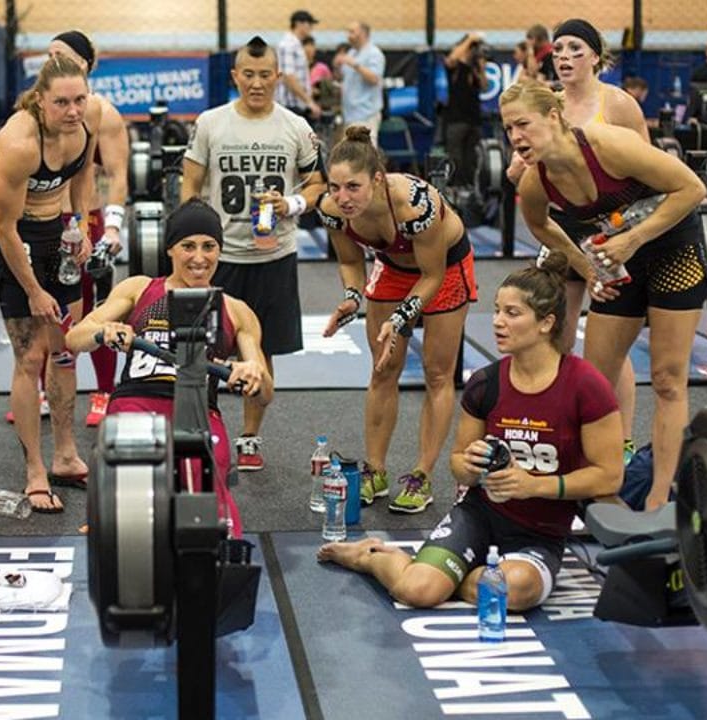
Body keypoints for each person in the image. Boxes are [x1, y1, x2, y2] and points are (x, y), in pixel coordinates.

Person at [318, 253, 623, 611]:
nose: (497, 322)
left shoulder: (586, 386)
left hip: (540, 533)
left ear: (546, 323)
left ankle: (450, 575)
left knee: (513, 590)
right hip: (479, 515)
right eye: (496, 311)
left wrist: (535, 485)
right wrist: (473, 465)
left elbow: (609, 477)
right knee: (417, 592)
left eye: (512, 313)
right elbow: (458, 463)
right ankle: (370, 556)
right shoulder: (486, 382)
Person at [503, 79, 707, 512]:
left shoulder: (607, 144)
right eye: (507, 129)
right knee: (595, 382)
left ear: (554, 117)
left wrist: (634, 239)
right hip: (620, 256)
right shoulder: (537, 182)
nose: (515, 137)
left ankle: (659, 500)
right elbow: (540, 226)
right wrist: (586, 266)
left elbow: (692, 189)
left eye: (523, 124)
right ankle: (606, 490)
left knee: (669, 379)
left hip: (673, 248)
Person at [66, 200, 273, 534]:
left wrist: (251, 374)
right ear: (170, 249)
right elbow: (75, 338)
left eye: (209, 247)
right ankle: (114, 515)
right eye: (188, 246)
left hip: (199, 412)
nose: (199, 257)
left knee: (208, 494)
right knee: (133, 479)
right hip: (136, 400)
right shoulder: (140, 288)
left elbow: (265, 393)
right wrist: (105, 332)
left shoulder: (236, 310)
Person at [506, 19, 649, 463]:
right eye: (559, 49)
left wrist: (631, 236)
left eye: (574, 48)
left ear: (594, 56)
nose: (563, 57)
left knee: (609, 341)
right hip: (566, 230)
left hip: (613, 230)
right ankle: (563, 429)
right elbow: (522, 163)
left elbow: (647, 169)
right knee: (557, 335)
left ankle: (620, 437)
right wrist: (519, 168)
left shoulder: (619, 104)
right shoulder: (548, 104)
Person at [181, 36, 326, 472]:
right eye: (249, 74)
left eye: (265, 75)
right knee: (198, 348)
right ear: (235, 76)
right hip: (219, 258)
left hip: (273, 255)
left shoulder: (295, 126)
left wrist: (293, 205)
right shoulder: (210, 123)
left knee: (263, 352)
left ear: (278, 77)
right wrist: (194, 242)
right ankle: (202, 427)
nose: (257, 83)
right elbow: (190, 185)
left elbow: (317, 185)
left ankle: (248, 436)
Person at [317, 125, 476, 514]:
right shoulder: (333, 210)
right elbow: (351, 262)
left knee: (438, 373)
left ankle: (421, 474)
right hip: (391, 267)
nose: (343, 197)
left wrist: (402, 317)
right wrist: (352, 299)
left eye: (352, 187)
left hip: (443, 268)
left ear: (376, 179)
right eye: (336, 187)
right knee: (382, 368)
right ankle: (375, 470)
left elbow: (432, 275)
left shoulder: (414, 202)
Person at [0, 53, 103, 513]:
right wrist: (34, 290)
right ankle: (35, 468)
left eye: (79, 100)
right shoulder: (19, 144)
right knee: (31, 355)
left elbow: (83, 173)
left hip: (57, 229)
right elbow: (3, 228)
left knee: (65, 347)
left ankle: (66, 453)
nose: (72, 111)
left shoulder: (85, 123)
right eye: (61, 103)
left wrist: (83, 225)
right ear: (40, 100)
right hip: (13, 235)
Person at [47, 30, 130, 428]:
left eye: (60, 55)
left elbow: (117, 175)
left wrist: (112, 228)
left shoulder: (103, 113)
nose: (52, 61)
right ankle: (50, 390)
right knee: (48, 308)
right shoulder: (40, 110)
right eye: (48, 55)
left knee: (96, 309)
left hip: (88, 221)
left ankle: (104, 390)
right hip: (46, 221)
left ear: (83, 63)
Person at [443, 33, 486, 187]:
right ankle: (455, 188)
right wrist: (469, 40)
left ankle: (472, 188)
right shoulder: (455, 67)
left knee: (472, 158)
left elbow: (484, 85)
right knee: (456, 158)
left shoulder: (473, 68)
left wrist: (480, 69)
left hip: (474, 119)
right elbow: (451, 59)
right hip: (456, 119)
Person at [334, 21, 386, 143]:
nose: (348, 35)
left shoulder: (374, 54)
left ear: (363, 34)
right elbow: (343, 77)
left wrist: (355, 64)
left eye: (352, 32)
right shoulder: (352, 53)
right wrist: (337, 67)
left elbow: (374, 79)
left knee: (365, 155)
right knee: (350, 156)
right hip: (349, 115)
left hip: (366, 115)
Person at [275, 10, 321, 121]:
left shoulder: (296, 44)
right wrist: (309, 101)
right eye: (309, 24)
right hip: (290, 105)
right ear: (299, 24)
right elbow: (289, 77)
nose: (311, 28)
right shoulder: (288, 45)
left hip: (297, 104)